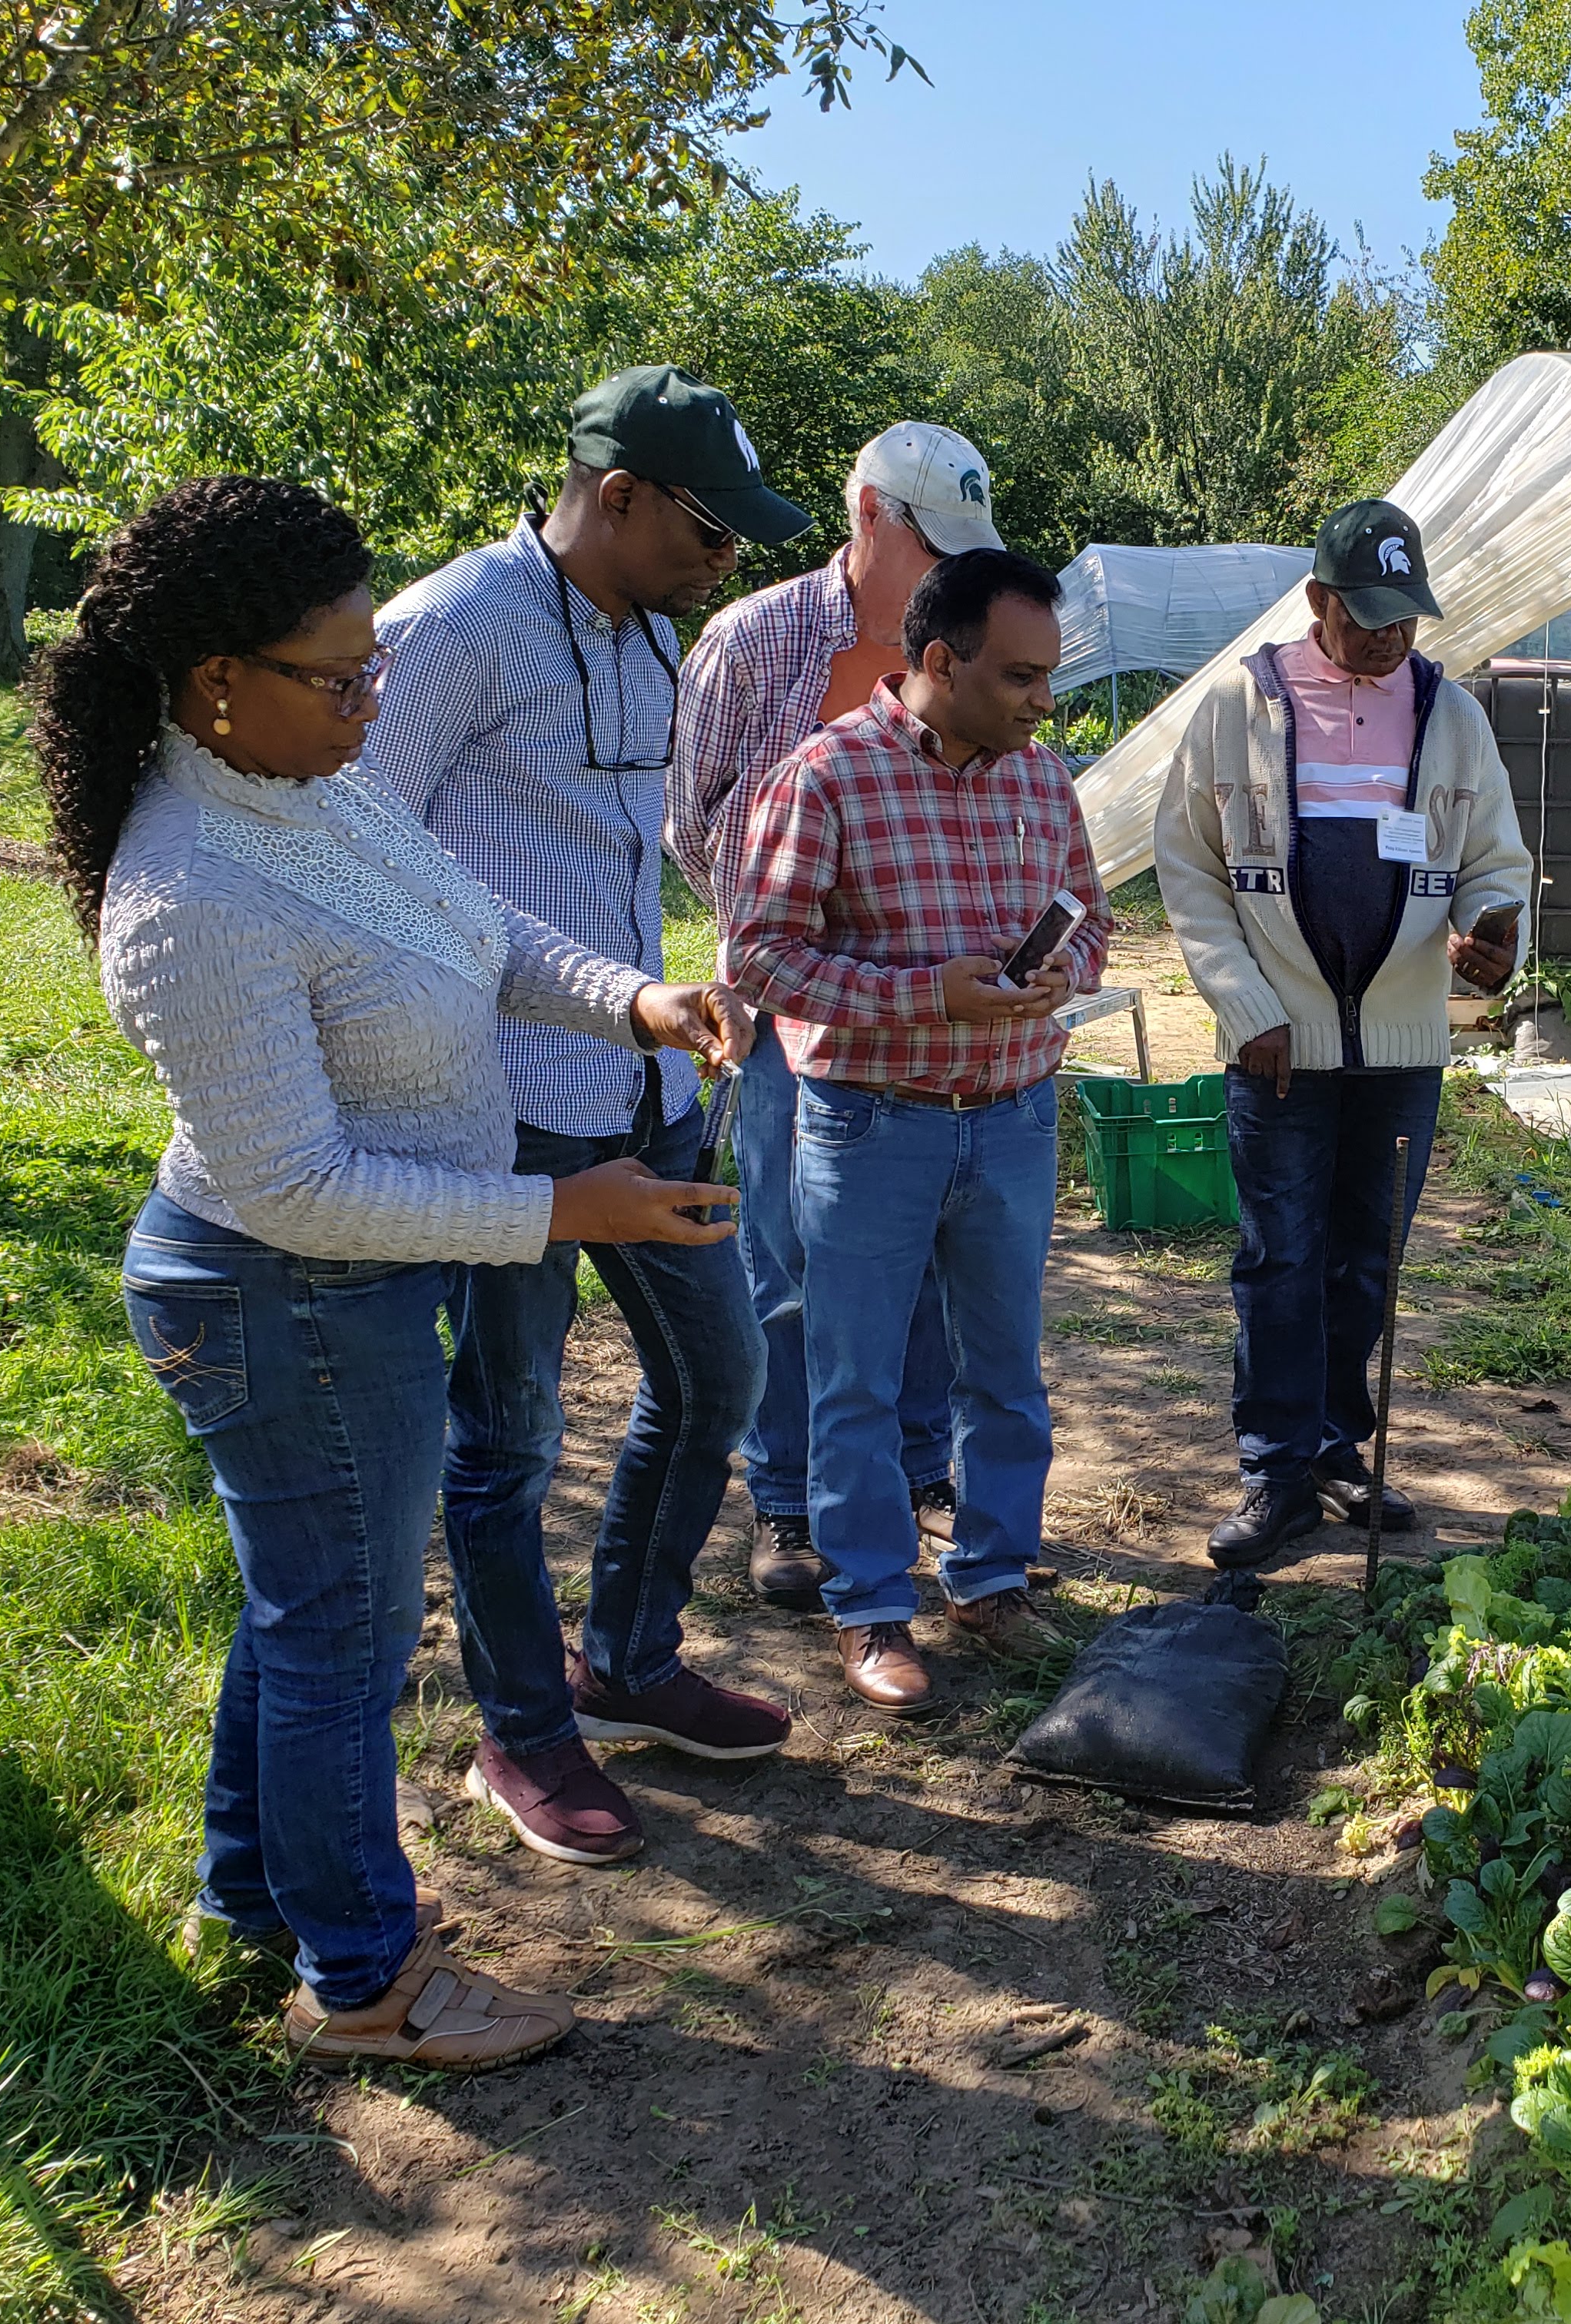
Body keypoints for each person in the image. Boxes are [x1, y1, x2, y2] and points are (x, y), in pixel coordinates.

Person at [38, 476, 749, 2065]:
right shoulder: (190, 895)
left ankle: (251, 1893)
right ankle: (365, 1978)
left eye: (373, 664)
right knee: (343, 1637)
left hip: (337, 1286)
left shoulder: (309, 789)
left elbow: (473, 928)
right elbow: (297, 1187)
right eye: (338, 674)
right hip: (281, 1292)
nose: (373, 697)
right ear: (217, 679)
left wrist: (634, 1002)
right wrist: (559, 1212)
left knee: (311, 1607)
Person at [357, 366, 805, 1865]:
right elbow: (363, 858)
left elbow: (623, 848)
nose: (725, 559)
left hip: (647, 1086)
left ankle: (625, 1660)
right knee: (509, 1435)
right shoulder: (450, 628)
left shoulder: (651, 635)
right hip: (500, 1112)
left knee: (719, 1375)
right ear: (615, 495)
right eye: (708, 528)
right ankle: (523, 1730)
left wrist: (670, 995)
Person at [725, 549, 1108, 1711]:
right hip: (870, 1125)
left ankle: (990, 1578)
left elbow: (1091, 917)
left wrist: (1064, 975)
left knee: (1006, 1372)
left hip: (1013, 1118)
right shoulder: (826, 776)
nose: (1044, 702)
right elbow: (759, 958)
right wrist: (922, 997)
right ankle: (871, 1608)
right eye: (1020, 677)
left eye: (1049, 676)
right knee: (856, 1378)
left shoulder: (1041, 778)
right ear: (940, 659)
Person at [1155, 500, 1532, 1568]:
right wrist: (1246, 1007)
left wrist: (1493, 927)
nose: (1389, 637)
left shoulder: (1450, 714)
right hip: (1278, 1043)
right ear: (1318, 600)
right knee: (1282, 1258)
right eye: (1367, 616)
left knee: (1368, 1261)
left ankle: (1334, 1449)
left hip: (1402, 1048)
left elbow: (1495, 860)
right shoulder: (1238, 705)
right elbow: (1190, 869)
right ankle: (1274, 1473)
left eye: (1405, 616)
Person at [669, 423, 1008, 1609]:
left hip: (932, 1016)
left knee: (923, 1254)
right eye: (935, 544)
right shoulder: (754, 642)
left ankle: (918, 1472)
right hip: (788, 1014)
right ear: (869, 515)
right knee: (788, 1258)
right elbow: (693, 826)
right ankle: (787, 1498)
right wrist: (800, 925)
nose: (953, 568)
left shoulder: (964, 645)